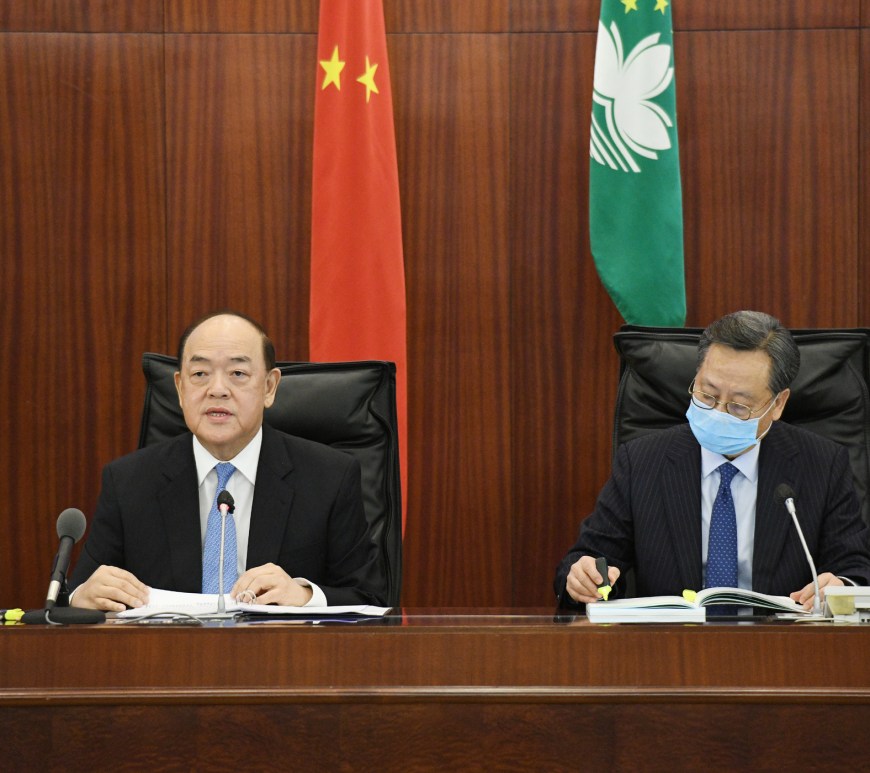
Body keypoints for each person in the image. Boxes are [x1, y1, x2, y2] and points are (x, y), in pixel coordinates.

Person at [555, 310, 870, 611]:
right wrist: (583, 578)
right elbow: (591, 559)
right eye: (707, 394)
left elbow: (855, 567)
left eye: (739, 406)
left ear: (778, 404)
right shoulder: (642, 462)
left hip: (780, 643)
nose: (718, 413)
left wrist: (842, 586)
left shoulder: (822, 465)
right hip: (671, 644)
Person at [70, 310, 385, 611]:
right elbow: (76, 596)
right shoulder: (128, 482)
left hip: (282, 649)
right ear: (179, 388)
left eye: (237, 374)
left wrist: (303, 596)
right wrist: (81, 596)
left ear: (269, 387)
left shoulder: (329, 478)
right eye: (200, 374)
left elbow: (371, 598)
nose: (217, 390)